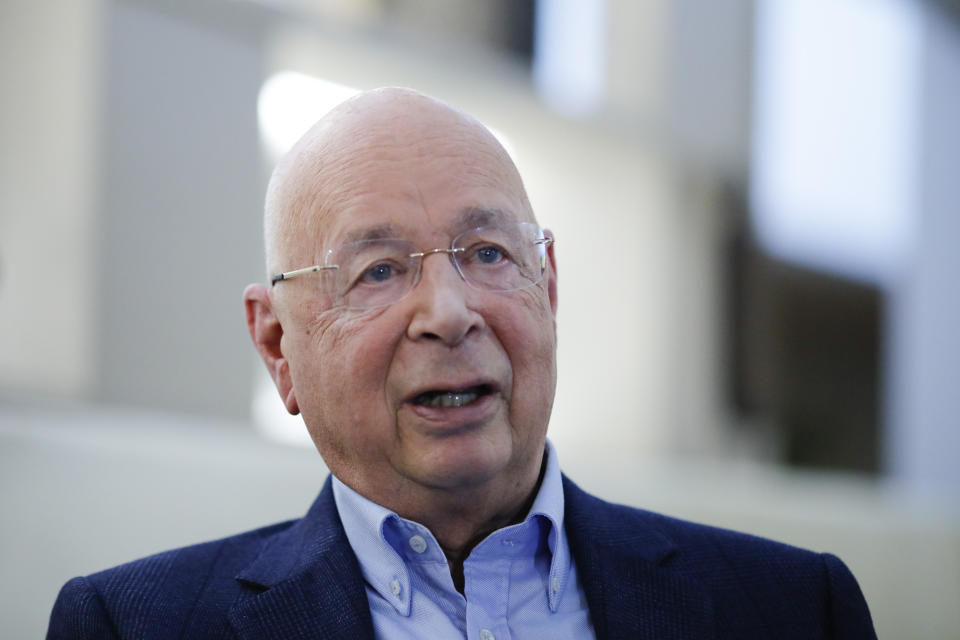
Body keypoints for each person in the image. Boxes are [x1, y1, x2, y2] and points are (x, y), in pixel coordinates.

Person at [47, 88, 877, 639]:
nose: (449, 313)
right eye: (377, 270)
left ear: (547, 291)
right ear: (277, 346)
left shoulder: (793, 610)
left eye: (486, 252)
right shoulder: (130, 625)